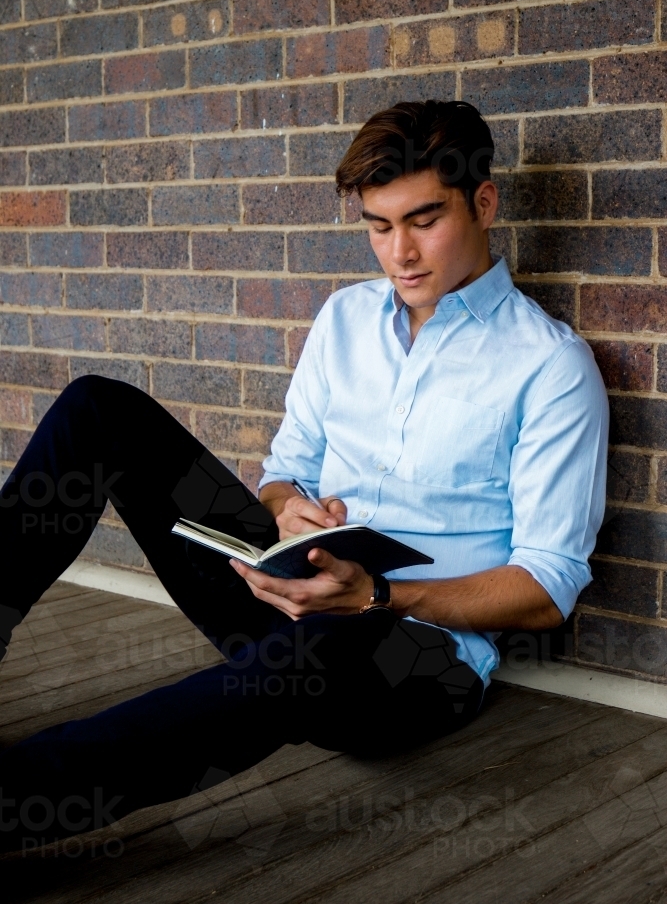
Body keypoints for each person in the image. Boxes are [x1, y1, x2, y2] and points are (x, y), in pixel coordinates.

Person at [0, 101, 608, 852]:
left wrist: (377, 594)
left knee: (321, 649)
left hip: (410, 656)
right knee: (98, 408)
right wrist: (285, 511)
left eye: (423, 220)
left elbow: (548, 587)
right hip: (286, 588)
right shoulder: (344, 319)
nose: (399, 253)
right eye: (378, 226)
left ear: (482, 202)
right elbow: (284, 471)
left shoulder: (549, 366)